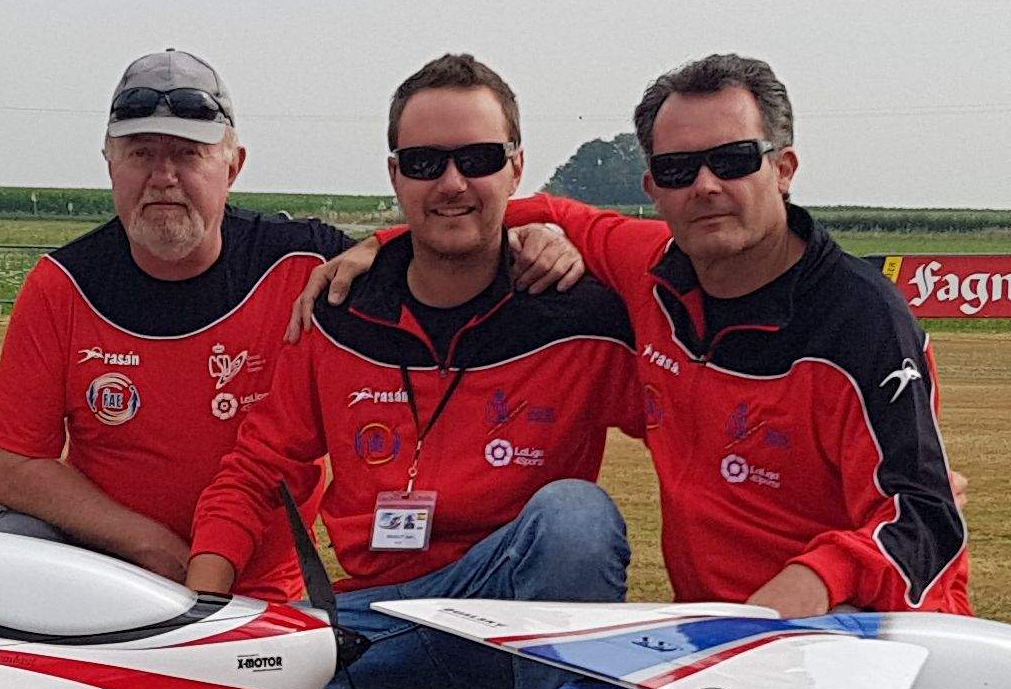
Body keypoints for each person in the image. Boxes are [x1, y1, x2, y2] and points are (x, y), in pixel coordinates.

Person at [306, 53, 968, 616]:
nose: (705, 186)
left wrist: (799, 592)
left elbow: (922, 519)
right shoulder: (648, 267)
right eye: (679, 170)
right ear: (653, 186)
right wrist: (382, 245)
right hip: (718, 645)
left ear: (784, 168)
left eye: (732, 160)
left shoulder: (861, 320)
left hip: (868, 637)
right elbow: (521, 207)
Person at [0, 49, 582, 603]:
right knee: (6, 543)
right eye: (141, 153)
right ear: (109, 164)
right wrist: (146, 544)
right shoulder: (63, 284)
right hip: (107, 573)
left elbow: (444, 234)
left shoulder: (308, 266)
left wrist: (533, 230)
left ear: (233, 166)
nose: (163, 176)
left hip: (263, 592)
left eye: (188, 154)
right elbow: (12, 463)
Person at [186, 54, 642, 689]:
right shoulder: (337, 311)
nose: (452, 183)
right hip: (376, 626)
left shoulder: (584, 317)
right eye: (426, 163)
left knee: (575, 517)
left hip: (512, 626)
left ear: (516, 167)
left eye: (478, 159)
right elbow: (256, 472)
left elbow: (694, 440)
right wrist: (201, 624)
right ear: (395, 173)